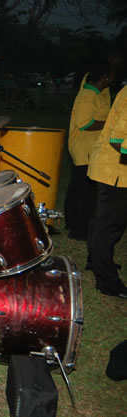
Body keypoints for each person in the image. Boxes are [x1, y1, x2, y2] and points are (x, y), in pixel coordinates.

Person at [64, 62, 114, 240]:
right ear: (105, 77)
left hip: (91, 148)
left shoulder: (99, 91)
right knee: (85, 190)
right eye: (111, 75)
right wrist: (110, 125)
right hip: (84, 147)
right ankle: (79, 228)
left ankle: (73, 222)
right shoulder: (88, 95)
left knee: (79, 187)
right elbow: (85, 124)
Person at [86, 84, 127, 300]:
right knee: (109, 227)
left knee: (101, 222)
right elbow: (118, 140)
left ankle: (95, 261)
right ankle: (108, 283)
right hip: (116, 172)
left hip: (110, 169)